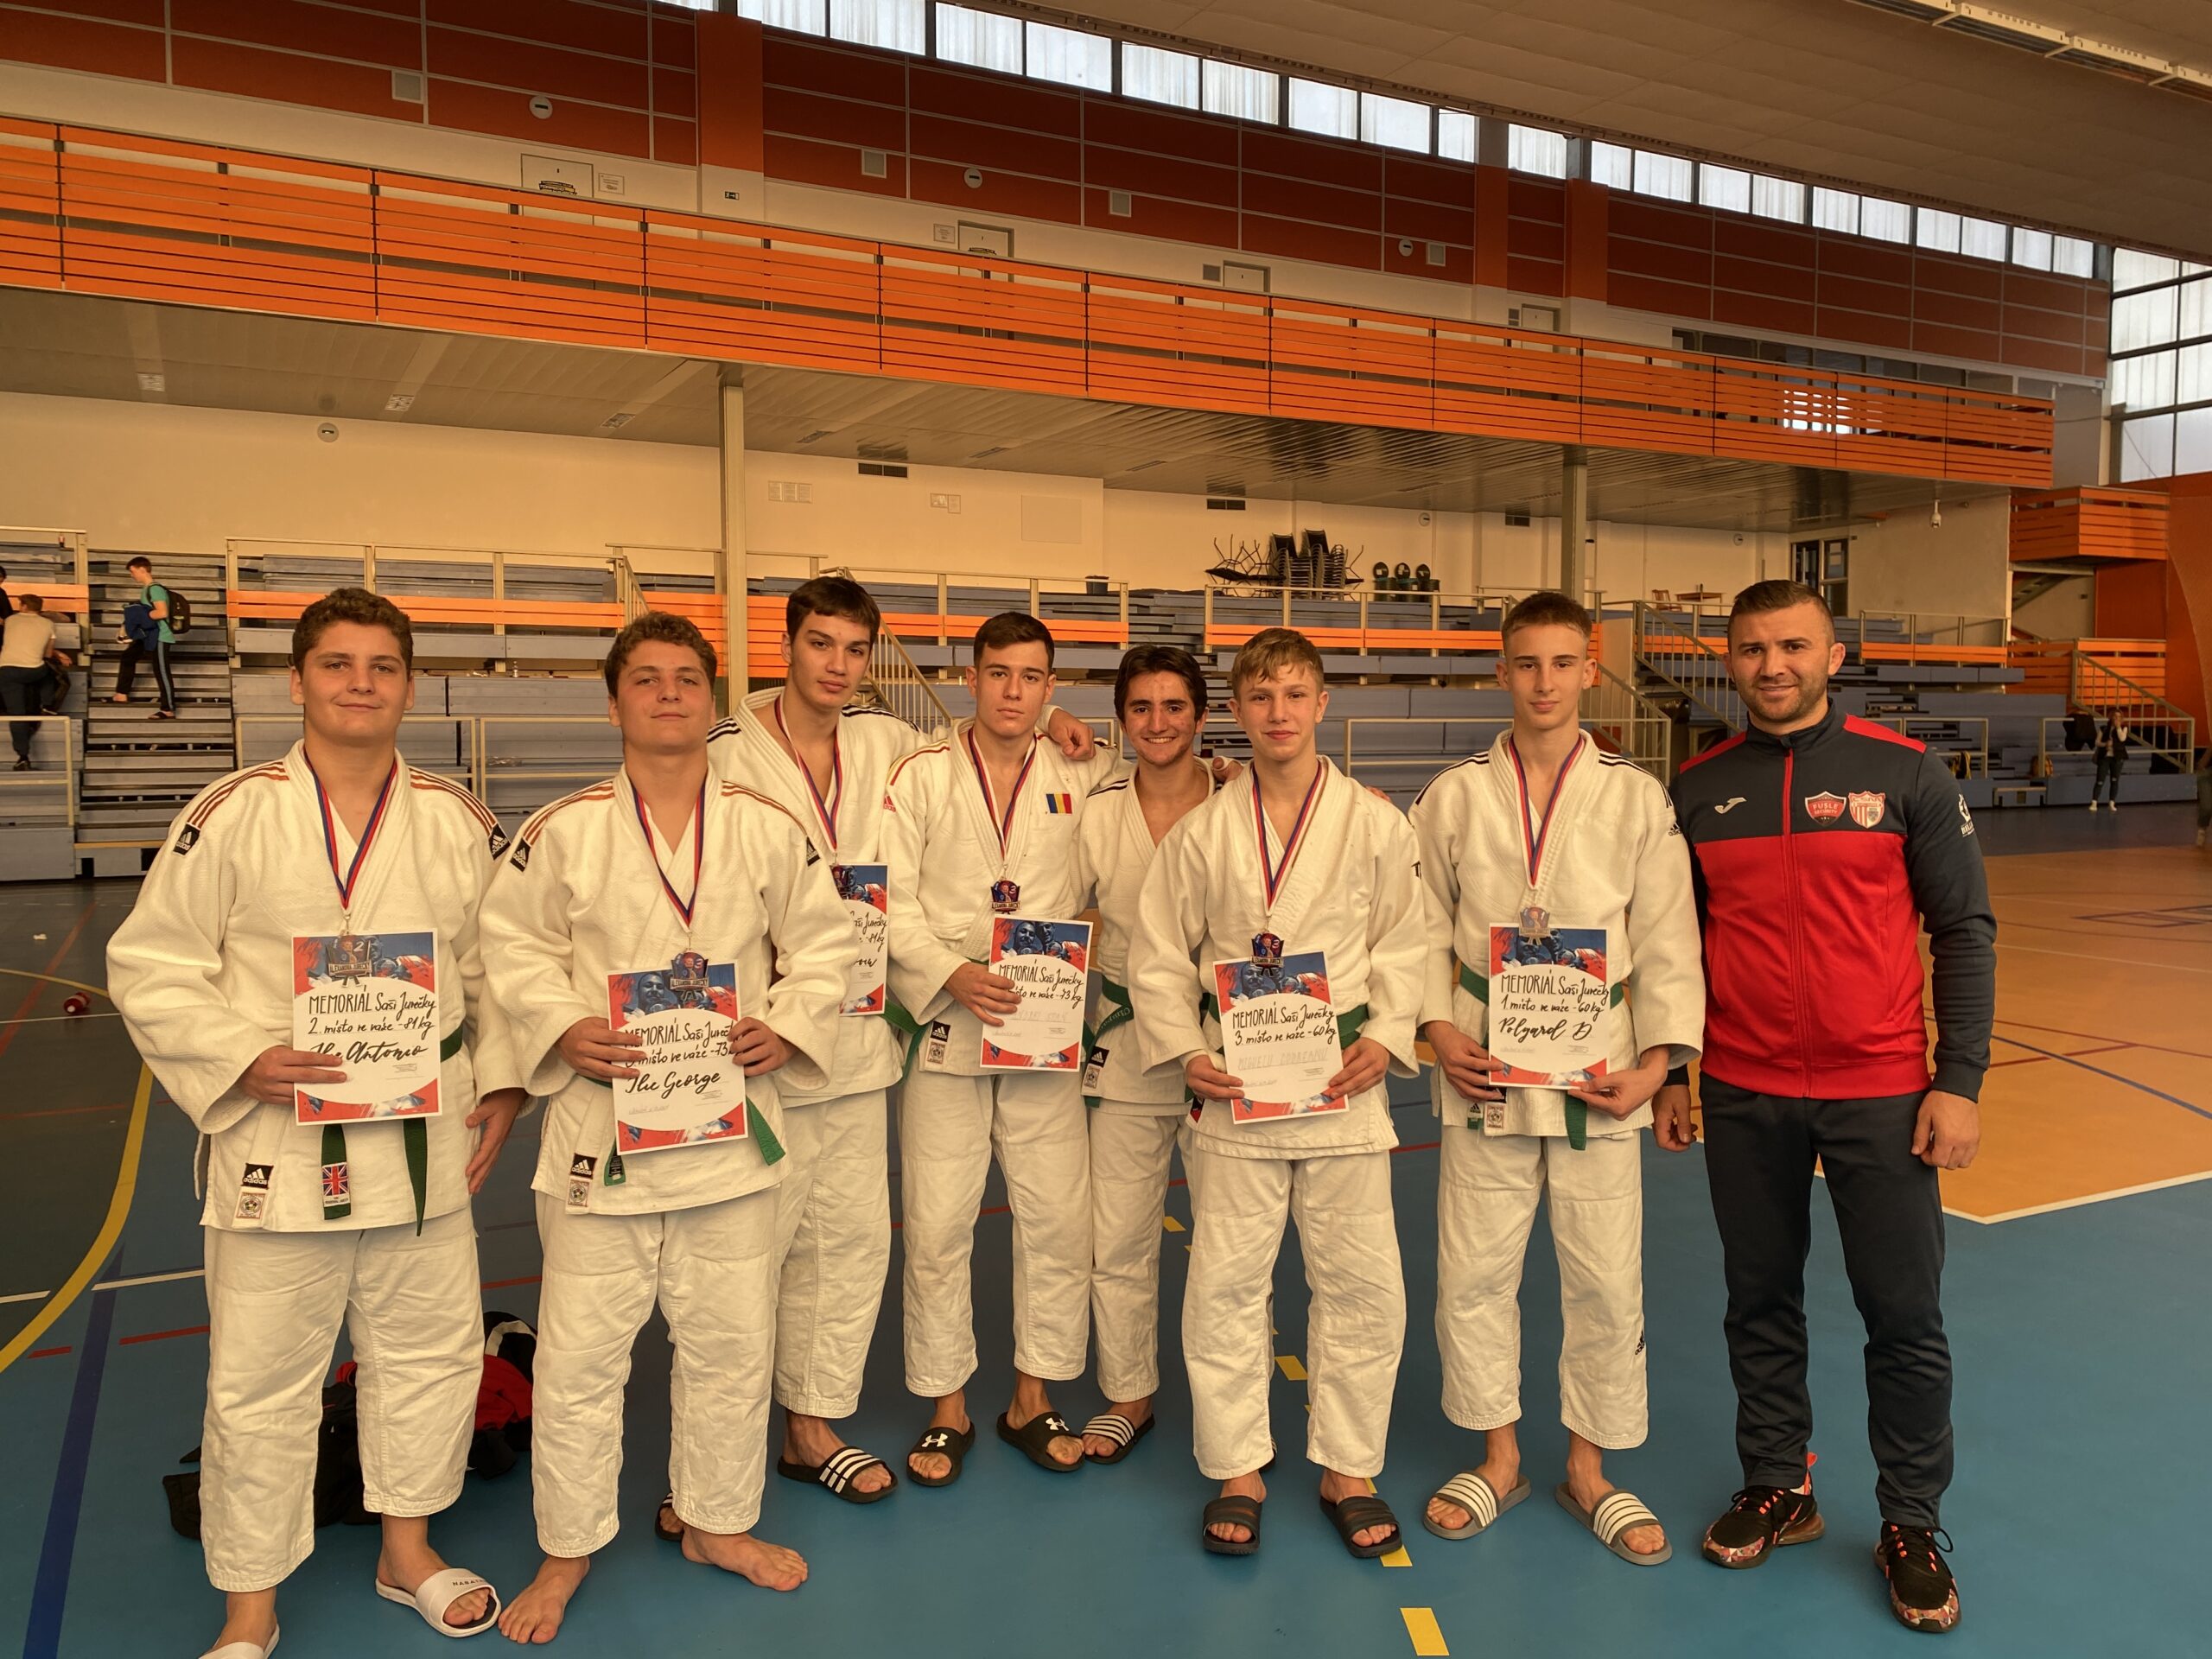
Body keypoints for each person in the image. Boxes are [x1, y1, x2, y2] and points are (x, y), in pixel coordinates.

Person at [105, 587, 527, 1658]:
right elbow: (150, 963)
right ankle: (250, 1603)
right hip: (277, 1143)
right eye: (337, 664)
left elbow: (505, 969)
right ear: (296, 681)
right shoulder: (230, 811)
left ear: (408, 685)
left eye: (382, 666)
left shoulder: (454, 817)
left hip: (419, 1138)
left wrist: (508, 1083)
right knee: (258, 1378)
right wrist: (241, 1055)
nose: (360, 684)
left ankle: (407, 1550)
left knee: (428, 1356)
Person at [480, 612, 853, 1643]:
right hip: (605, 1136)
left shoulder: (770, 826)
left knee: (732, 1346)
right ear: (615, 704)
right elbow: (507, 948)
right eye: (646, 680)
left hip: (729, 1137)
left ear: (711, 697)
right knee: (581, 1360)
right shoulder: (562, 830)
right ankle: (567, 1548)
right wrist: (563, 1024)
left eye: (687, 679)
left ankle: (718, 1522)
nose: (670, 695)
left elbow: (826, 944)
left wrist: (784, 1021)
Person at [705, 576, 1102, 1510]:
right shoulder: (727, 748)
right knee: (762, 1241)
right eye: (820, 645)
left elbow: (1009, 746)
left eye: (853, 649)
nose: (837, 665)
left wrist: (1063, 720)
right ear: (788, 645)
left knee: (862, 1241)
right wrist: (946, 972)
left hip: (879, 1020)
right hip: (765, 1021)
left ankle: (853, 1417)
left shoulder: (891, 743)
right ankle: (748, 1441)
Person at [1660, 579, 1993, 1635]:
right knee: (1759, 1303)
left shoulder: (1904, 774)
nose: (1772, 666)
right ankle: (1780, 1484)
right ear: (1729, 659)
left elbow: (1964, 930)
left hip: (1883, 1093)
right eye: (1751, 649)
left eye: (1792, 645)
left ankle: (1909, 1522)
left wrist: (1960, 1078)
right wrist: (1676, 1067)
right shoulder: (1697, 787)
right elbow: (1672, 952)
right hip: (1743, 1088)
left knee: (1903, 1319)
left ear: (1832, 654)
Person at [1408, 591, 1704, 1565]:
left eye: (1561, 663)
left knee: (1605, 1280)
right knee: (1476, 1277)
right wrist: (1437, 1028)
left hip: (1599, 1081)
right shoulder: (1452, 796)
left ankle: (1589, 1467)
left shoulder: (1634, 796)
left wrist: (1660, 1066)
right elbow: (1413, 930)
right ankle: (1499, 1457)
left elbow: (1666, 940)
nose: (1543, 682)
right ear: (1501, 671)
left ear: (1590, 668)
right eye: (1525, 664)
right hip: (1487, 1075)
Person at [1128, 626, 1426, 1560]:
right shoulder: (1205, 831)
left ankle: (1347, 1462)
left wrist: (1384, 1035)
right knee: (1223, 1282)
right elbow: (1155, 957)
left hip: (1340, 1084)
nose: (1279, 714)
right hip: (1237, 1092)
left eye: (1295, 695)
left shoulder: (1375, 822)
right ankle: (1237, 1464)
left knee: (1361, 1283)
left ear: (1322, 704)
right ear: (1238, 711)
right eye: (1261, 698)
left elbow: (1409, 942)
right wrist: (1182, 1051)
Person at [880, 611, 1122, 1485]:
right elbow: (891, 903)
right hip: (950, 1021)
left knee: (1055, 1219)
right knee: (940, 1224)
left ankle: (1033, 1392)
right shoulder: (920, 777)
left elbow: (1115, 871)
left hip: (1043, 1031)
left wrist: (1080, 936)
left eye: (1031, 677)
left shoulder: (1086, 773)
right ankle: (945, 1404)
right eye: (998, 674)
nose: (1014, 692)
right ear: (969, 679)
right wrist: (948, 971)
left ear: (1051, 688)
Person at [1072, 645, 1219, 1465]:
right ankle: (1129, 1390)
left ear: (1199, 716)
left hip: (1223, 1047)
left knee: (1227, 1241)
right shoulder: (1098, 812)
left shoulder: (1240, 804)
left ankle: (1225, 1405)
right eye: (1141, 708)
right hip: (1126, 1042)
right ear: (1120, 720)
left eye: (1173, 707)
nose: (1157, 723)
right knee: (1118, 1235)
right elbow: (1063, 924)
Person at [0, 592, 62, 769]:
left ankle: (23, 757)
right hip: (34, 671)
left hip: (7, 670)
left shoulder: (11, 620)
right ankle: (48, 704)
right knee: (48, 670)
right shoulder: (49, 624)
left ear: (23, 606)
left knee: (17, 716)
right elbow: (48, 654)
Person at [113, 553, 180, 717]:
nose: (132, 575)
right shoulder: (147, 590)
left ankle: (168, 709)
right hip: (149, 635)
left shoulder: (155, 589)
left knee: (161, 671)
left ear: (142, 569)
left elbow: (161, 613)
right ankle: (121, 694)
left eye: (132, 571)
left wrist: (139, 618)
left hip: (160, 636)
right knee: (128, 657)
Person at [2088, 715, 2130, 810]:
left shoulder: (2124, 728)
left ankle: (2112, 802)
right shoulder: (2104, 728)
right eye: (2115, 717)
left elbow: (2122, 738)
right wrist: (2105, 744)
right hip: (2105, 757)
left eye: (2119, 718)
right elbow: (2097, 742)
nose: (2116, 719)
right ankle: (2094, 802)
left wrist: (2118, 727)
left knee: (2114, 780)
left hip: (2117, 758)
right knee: (2100, 780)